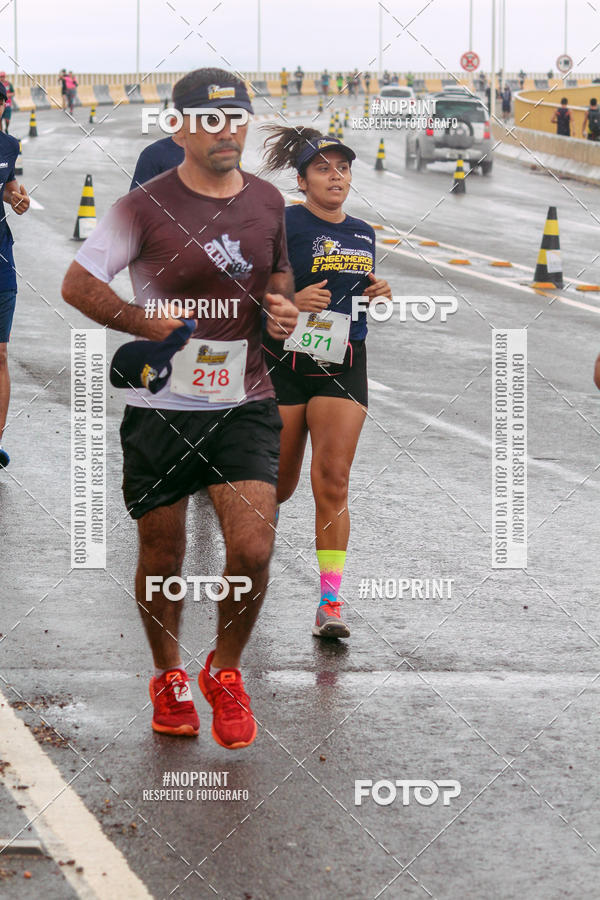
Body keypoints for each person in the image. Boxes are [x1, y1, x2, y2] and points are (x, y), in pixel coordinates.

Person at [61, 67, 298, 746]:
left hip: (244, 400)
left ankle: (225, 671)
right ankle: (168, 674)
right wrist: (143, 322)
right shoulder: (144, 206)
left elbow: (278, 272)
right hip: (161, 406)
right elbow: (77, 284)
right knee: (162, 557)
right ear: (182, 127)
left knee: (253, 547)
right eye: (211, 120)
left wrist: (280, 309)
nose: (227, 132)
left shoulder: (268, 201)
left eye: (237, 119)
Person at [261, 127, 391, 639]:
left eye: (343, 168)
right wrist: (291, 301)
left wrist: (376, 291)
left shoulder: (363, 232)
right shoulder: (282, 222)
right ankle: (250, 568)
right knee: (279, 485)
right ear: (302, 180)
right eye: (323, 169)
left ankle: (330, 603)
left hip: (344, 362)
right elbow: (245, 287)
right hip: (284, 364)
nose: (336, 176)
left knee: (333, 482)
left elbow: (353, 292)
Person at [0, 83, 30, 469]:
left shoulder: (9, 146)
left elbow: (7, 187)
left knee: (1, 353)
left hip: (1, 261)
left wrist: (16, 197)